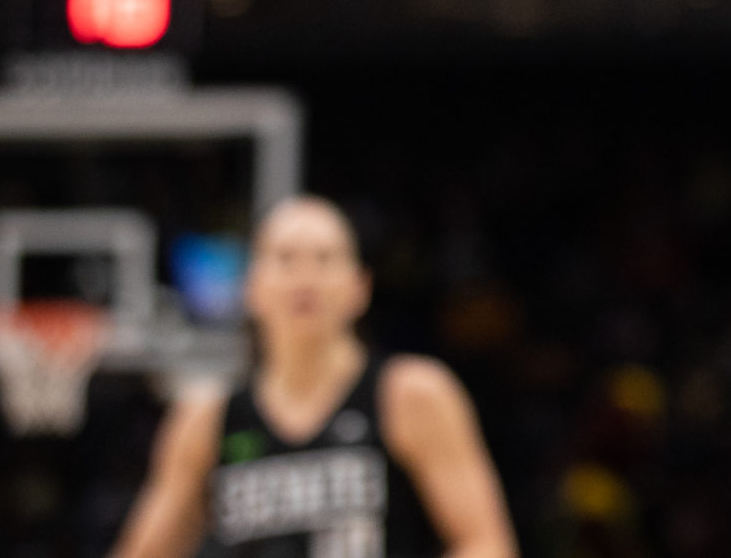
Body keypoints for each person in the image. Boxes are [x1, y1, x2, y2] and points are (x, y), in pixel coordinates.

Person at [108, 195, 516, 558]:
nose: (305, 278)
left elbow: (488, 544)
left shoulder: (411, 393)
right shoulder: (207, 418)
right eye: (285, 259)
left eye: (324, 259)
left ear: (360, 286)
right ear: (252, 286)